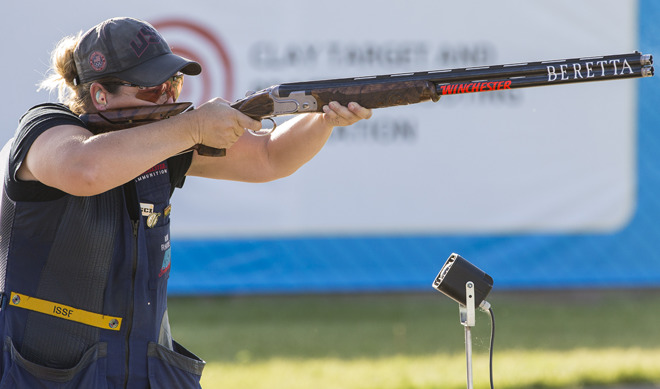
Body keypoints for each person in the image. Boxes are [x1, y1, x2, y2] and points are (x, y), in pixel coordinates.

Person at [0, 16, 371, 388]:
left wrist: (323, 119)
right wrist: (192, 127)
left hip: (141, 372)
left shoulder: (162, 139)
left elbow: (268, 157)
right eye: (151, 90)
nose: (168, 98)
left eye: (172, 84)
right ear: (100, 95)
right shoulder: (44, 128)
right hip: (47, 374)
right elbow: (85, 170)